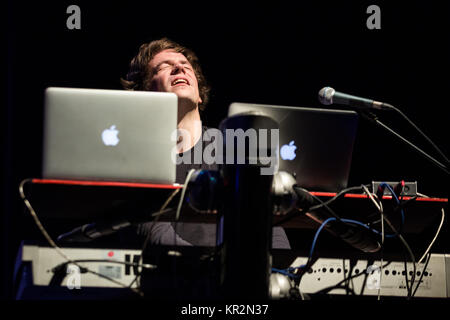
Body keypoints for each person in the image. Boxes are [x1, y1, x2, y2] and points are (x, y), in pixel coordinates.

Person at [121, 38, 290, 249]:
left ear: (200, 95)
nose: (178, 68)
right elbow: (154, 233)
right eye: (164, 67)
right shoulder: (138, 155)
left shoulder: (236, 149)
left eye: (185, 66)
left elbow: (272, 232)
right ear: (146, 94)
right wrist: (218, 267)